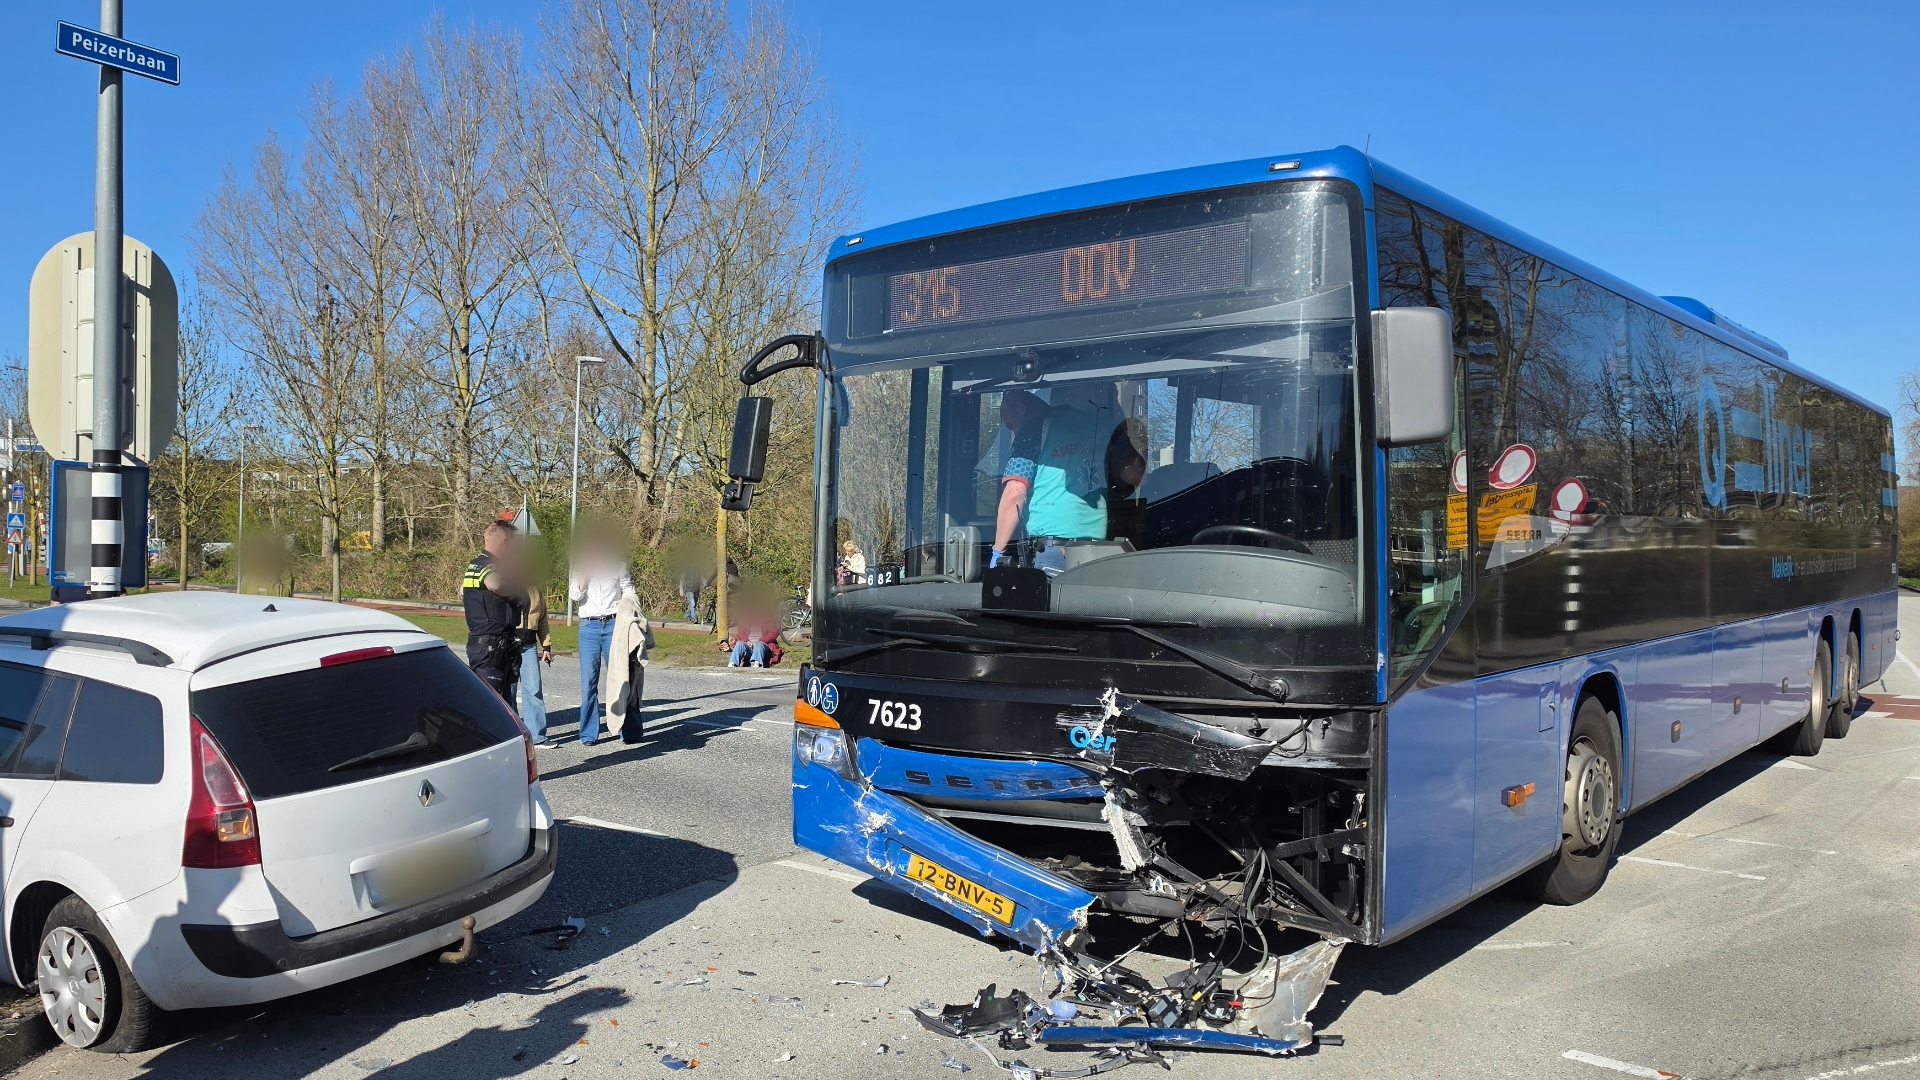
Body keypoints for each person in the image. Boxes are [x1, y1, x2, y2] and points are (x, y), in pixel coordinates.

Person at [990, 388, 1109, 571]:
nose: (1013, 432)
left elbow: (1014, 494)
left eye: (1010, 425)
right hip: (1100, 547)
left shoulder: (1033, 430)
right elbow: (1130, 474)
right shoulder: (1097, 423)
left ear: (1021, 409)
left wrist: (998, 552)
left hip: (1056, 549)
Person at [570, 530, 636, 747]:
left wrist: (627, 612)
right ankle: (589, 733)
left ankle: (628, 730)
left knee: (620, 678)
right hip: (588, 627)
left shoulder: (618, 566)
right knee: (588, 683)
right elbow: (575, 595)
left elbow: (629, 591)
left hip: (613, 626)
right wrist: (585, 576)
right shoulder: (579, 569)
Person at [462, 520, 526, 703]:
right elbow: (495, 583)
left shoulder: (476, 565)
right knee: (490, 705)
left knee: (499, 704)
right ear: (505, 542)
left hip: (494, 646)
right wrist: (517, 595)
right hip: (490, 647)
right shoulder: (488, 564)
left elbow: (462, 590)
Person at [513, 536, 557, 749]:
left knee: (534, 690)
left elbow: (542, 619)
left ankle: (538, 736)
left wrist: (546, 645)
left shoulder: (535, 588)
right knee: (508, 692)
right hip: (508, 645)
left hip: (529, 644)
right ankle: (513, 735)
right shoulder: (502, 583)